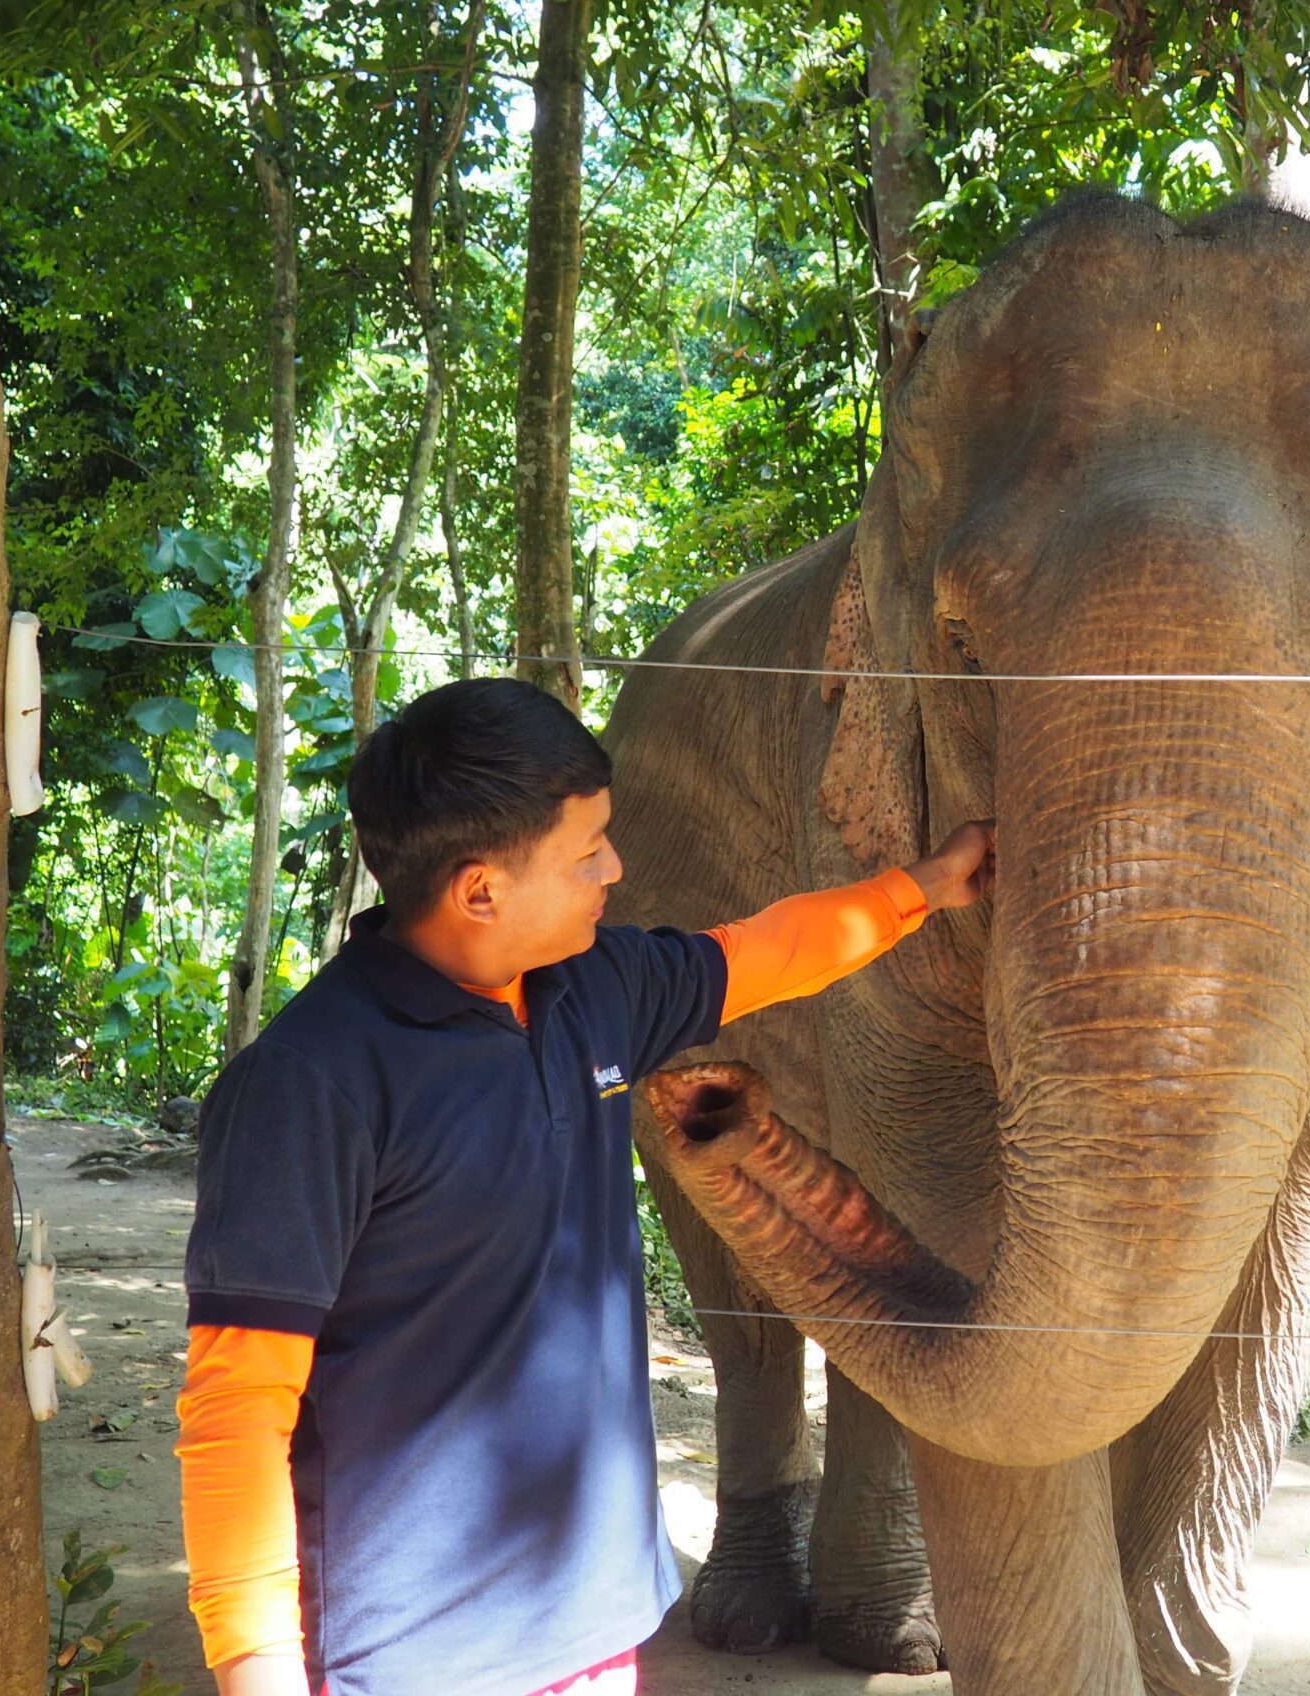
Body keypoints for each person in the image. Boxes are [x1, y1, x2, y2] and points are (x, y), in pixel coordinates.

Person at [174, 677, 993, 1696]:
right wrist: (256, 1671)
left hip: (594, 1622)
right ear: (480, 891)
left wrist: (924, 886)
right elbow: (236, 1407)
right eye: (585, 852)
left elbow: (764, 953)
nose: (616, 867)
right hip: (413, 1653)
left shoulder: (593, 986)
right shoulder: (310, 1086)